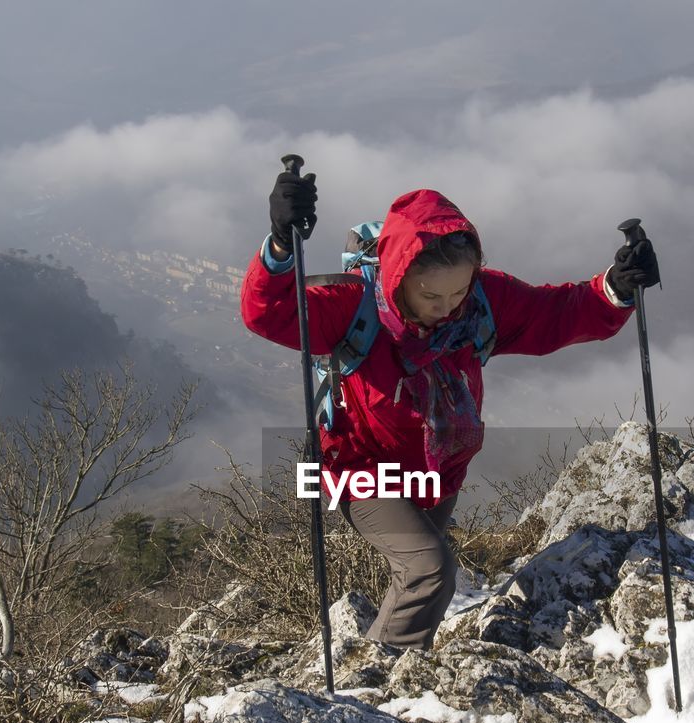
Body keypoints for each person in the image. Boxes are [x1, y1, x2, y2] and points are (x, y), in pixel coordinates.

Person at [240, 166, 659, 654]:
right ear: (398, 277)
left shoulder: (482, 303)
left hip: (439, 471)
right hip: (359, 468)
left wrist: (618, 287)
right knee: (429, 569)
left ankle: (385, 665)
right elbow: (267, 314)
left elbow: (558, 313)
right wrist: (279, 246)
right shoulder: (353, 307)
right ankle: (378, 687)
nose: (447, 307)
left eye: (458, 291)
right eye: (431, 294)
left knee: (415, 577)